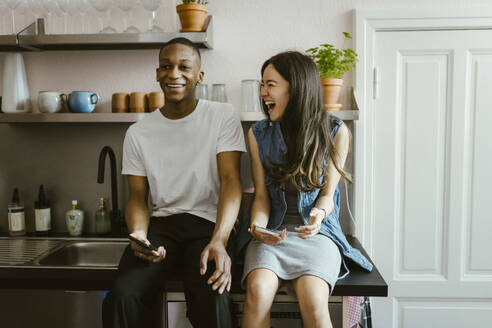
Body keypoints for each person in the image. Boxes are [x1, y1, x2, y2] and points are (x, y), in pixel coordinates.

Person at [102, 37, 246, 328]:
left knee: (214, 294)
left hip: (209, 224)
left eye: (184, 67)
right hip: (162, 227)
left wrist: (220, 241)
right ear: (157, 74)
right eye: (166, 67)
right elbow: (137, 197)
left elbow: (231, 181)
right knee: (122, 294)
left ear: (199, 76)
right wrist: (140, 234)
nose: (174, 74)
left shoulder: (222, 116)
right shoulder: (138, 133)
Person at [235, 51, 373, 328]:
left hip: (317, 235)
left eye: (270, 85)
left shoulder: (335, 131)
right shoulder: (258, 134)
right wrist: (257, 227)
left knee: (313, 300)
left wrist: (317, 217)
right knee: (257, 293)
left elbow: (327, 196)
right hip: (272, 233)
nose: (263, 93)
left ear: (295, 87)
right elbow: (261, 196)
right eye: (262, 85)